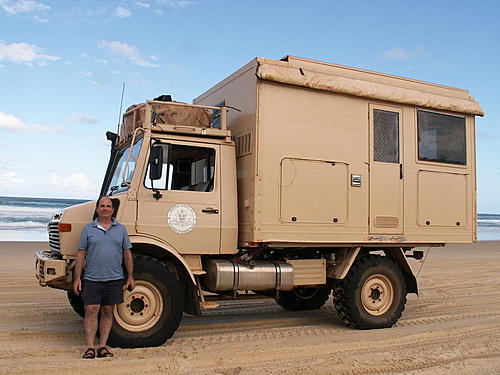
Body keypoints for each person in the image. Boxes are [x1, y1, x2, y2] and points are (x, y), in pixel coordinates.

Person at [73, 196, 135, 359]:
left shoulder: (121, 229)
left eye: (108, 206)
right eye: (102, 206)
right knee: (91, 310)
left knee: (108, 311)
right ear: (97, 209)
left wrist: (130, 276)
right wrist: (77, 277)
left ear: (113, 210)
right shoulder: (88, 229)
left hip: (114, 278)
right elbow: (81, 253)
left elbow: (127, 253)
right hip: (92, 278)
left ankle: (103, 346)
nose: (105, 208)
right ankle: (90, 347)